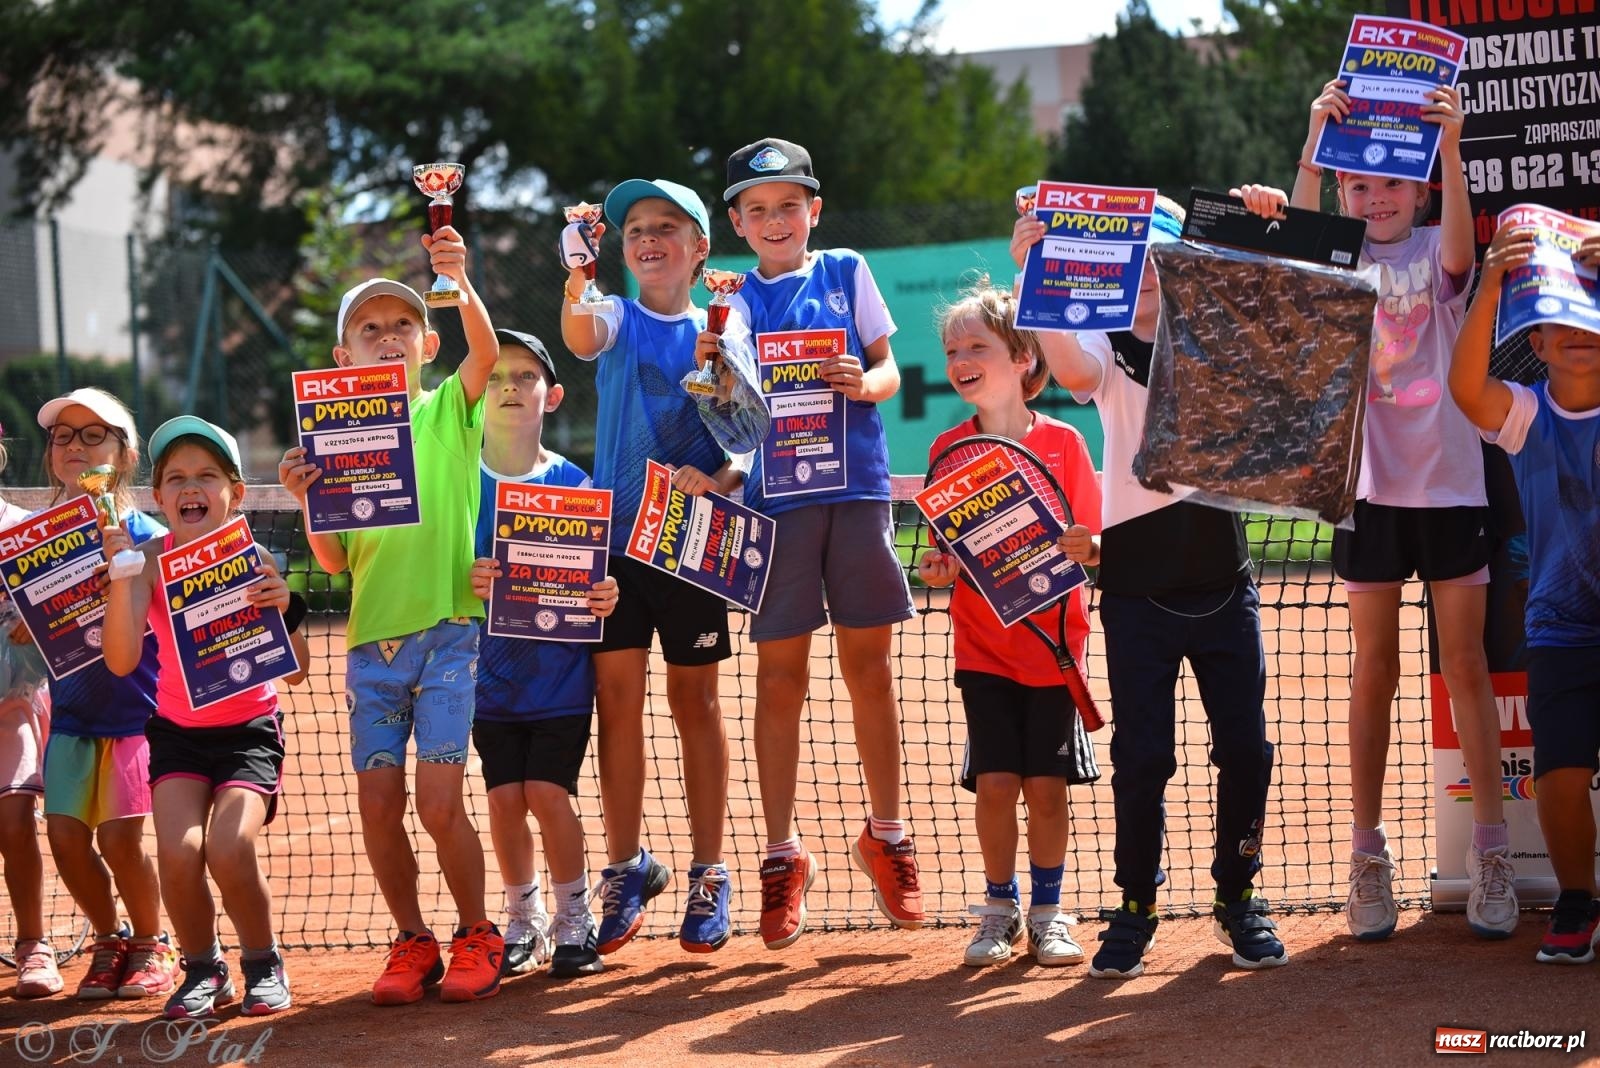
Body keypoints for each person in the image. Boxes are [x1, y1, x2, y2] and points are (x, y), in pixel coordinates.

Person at [1018, 194, 1285, 978]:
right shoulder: (1099, 342)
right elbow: (1067, 371)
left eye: (1157, 257)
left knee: (1248, 749)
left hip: (1221, 576)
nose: (1142, 274)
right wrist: (1035, 263)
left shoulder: (1218, 334)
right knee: (1142, 758)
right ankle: (1136, 904)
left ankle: (1239, 898)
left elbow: (1292, 293)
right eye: (1126, 259)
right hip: (1136, 583)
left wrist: (1271, 213)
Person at [1290, 79, 1516, 941]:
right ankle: (1367, 855)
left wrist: (1450, 148)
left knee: (1465, 666)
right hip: (1365, 495)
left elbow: (1462, 252)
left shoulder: (1438, 248)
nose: (1372, 199)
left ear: (1417, 189)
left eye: (1388, 185)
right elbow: (1301, 242)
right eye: (1358, 187)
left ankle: (1491, 853)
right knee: (1372, 672)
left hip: (1454, 488)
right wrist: (1317, 132)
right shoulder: (1339, 259)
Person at [278, 222, 505, 1003]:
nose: (387, 337)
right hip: (371, 645)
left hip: (448, 635)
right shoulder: (334, 439)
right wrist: (311, 501)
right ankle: (413, 940)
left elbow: (487, 355)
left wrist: (458, 279)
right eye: (368, 329)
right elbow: (336, 562)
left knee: (440, 803)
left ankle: (480, 930)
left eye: (403, 325)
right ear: (342, 358)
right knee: (379, 804)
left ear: (427, 344)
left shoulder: (448, 411)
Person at [716, 137, 924, 951]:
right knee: (779, 679)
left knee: (869, 670)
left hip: (860, 491)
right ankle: (781, 855)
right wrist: (718, 372)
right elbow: (733, 420)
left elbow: (889, 369)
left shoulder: (845, 272)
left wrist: (861, 384)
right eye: (757, 209)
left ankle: (889, 834)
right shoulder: (733, 303)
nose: (775, 220)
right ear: (737, 221)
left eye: (788, 204)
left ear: (815, 209)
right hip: (779, 508)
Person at [559, 178, 739, 955]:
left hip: (692, 541)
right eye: (635, 227)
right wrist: (576, 271)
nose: (649, 237)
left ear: (701, 250)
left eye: (668, 226)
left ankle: (708, 874)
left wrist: (721, 478)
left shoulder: (728, 329)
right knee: (616, 706)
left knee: (696, 705)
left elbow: (747, 437)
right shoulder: (613, 315)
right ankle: (627, 867)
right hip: (612, 548)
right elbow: (576, 333)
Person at [99, 416, 310, 1018]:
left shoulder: (256, 555)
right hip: (177, 737)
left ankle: (263, 962)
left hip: (249, 732)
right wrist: (120, 580)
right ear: (158, 495)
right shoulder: (144, 560)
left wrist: (285, 606)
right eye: (177, 478)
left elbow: (296, 670)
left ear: (235, 494)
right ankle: (202, 968)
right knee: (178, 851)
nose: (192, 488)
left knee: (228, 847)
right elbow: (120, 660)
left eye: (207, 476)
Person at [916, 282, 1101, 967]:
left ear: (1024, 357)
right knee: (995, 784)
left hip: (1054, 654)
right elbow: (947, 555)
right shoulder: (946, 447)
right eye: (951, 348)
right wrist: (940, 570)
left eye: (977, 346)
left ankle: (1050, 913)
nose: (961, 357)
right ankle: (1000, 908)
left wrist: (1087, 548)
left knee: (1047, 790)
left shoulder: (1066, 444)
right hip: (983, 651)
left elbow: (1094, 543)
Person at [1448, 222, 1600, 963]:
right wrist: (1489, 288)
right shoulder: (1530, 414)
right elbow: (1465, 388)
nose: (1579, 334)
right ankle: (1576, 901)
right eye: (1562, 323)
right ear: (1535, 343)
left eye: (1592, 318)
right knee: (1561, 778)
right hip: (1562, 631)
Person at [466, 328, 618, 978]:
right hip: (485, 683)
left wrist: (606, 593)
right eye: (495, 376)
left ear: (550, 395)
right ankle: (522, 920)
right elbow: (432, 573)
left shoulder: (576, 486)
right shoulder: (457, 487)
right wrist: (463, 580)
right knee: (503, 800)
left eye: (524, 376)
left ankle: (574, 920)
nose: (508, 386)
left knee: (548, 794)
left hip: (560, 682)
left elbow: (597, 579)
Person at [30, 388, 177, 1000]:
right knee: (64, 836)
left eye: (94, 435)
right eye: (64, 435)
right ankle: (109, 939)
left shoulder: (148, 534)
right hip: (68, 717)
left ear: (123, 453)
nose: (75, 447)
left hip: (136, 717)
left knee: (120, 838)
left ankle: (152, 943)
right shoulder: (32, 544)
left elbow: (170, 616)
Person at [0, 429, 59, 998]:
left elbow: (66, 607)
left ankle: (32, 944)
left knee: (15, 822)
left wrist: (36, 620)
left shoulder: (24, 530)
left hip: (13, 705)